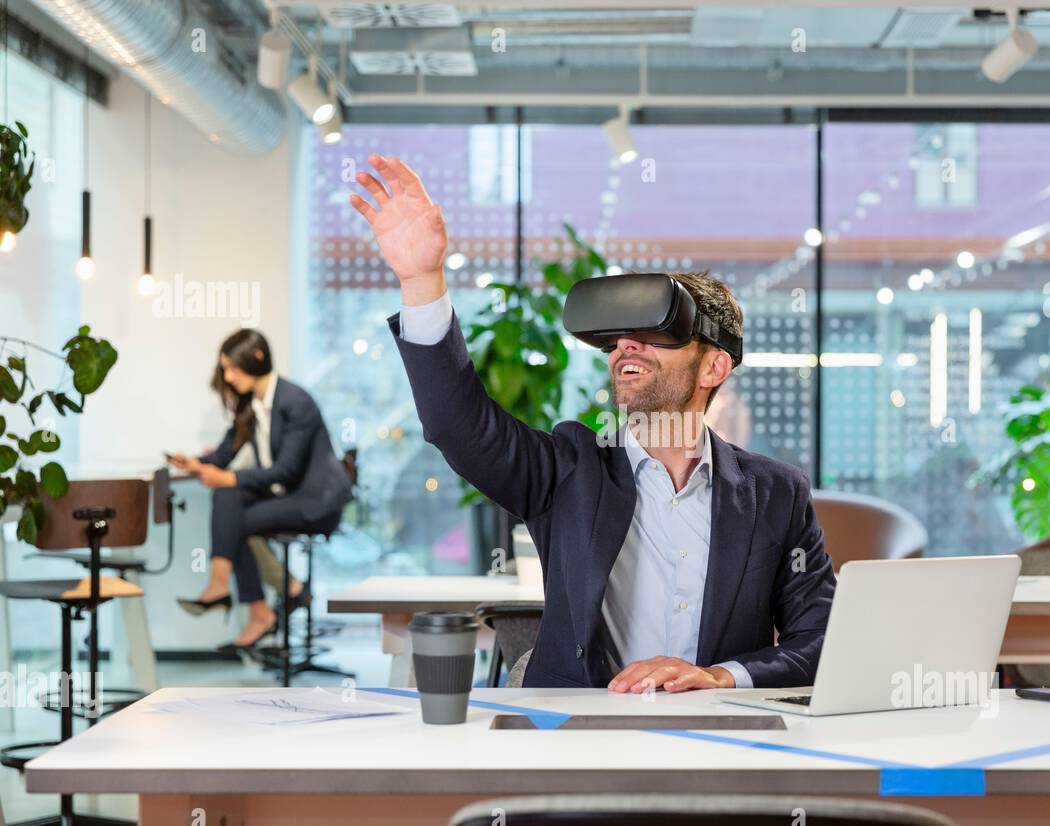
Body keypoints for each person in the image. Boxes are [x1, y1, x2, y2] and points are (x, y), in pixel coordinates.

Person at [350, 154, 836, 692]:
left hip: (719, 736)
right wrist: (422, 279)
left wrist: (720, 677)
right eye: (616, 336)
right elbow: (456, 424)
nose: (624, 346)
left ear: (714, 365)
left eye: (654, 332)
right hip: (581, 726)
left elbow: (819, 639)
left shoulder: (776, 494)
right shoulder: (568, 470)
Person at [169, 330, 354, 655]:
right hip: (287, 495)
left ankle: (249, 601)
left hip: (315, 501)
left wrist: (227, 479)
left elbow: (287, 471)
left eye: (232, 368)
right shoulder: (252, 404)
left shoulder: (296, 401)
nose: (228, 376)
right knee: (228, 498)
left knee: (233, 506)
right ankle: (253, 596)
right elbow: (226, 451)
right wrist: (196, 462)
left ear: (255, 358)